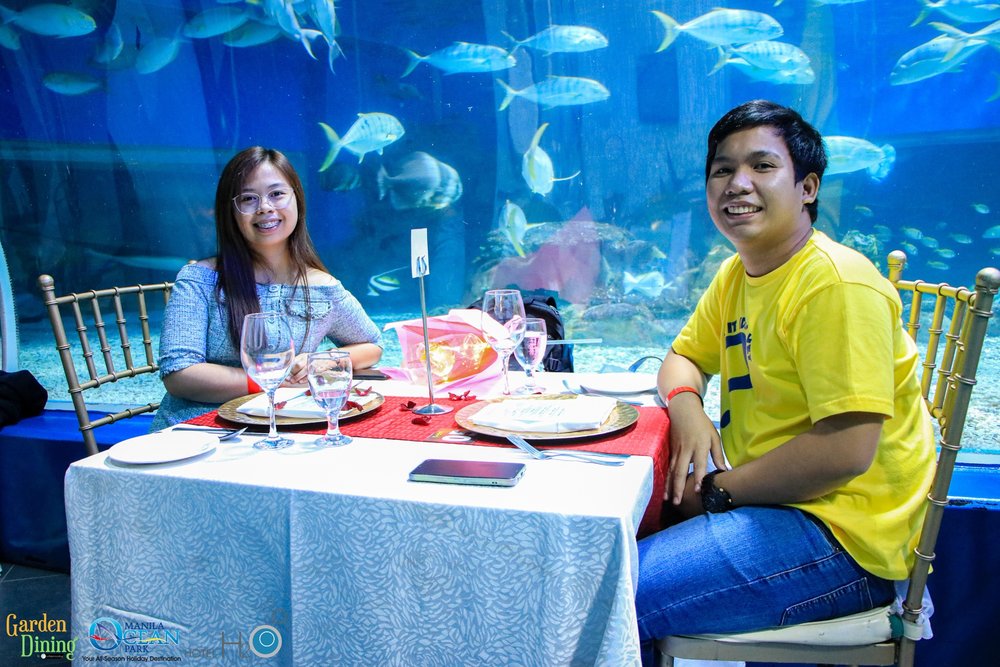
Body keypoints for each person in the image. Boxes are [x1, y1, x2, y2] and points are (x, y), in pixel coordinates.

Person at [635, 100, 935, 661]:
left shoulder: (835, 286)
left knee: (607, 591)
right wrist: (688, 408)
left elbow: (845, 452)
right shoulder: (738, 272)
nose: (737, 183)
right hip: (777, 505)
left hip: (840, 534)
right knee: (610, 545)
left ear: (808, 188)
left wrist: (719, 493)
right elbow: (681, 358)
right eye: (722, 169)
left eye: (762, 166)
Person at [152, 146, 382, 428]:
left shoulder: (322, 286)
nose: (265, 207)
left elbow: (372, 346)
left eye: (277, 194)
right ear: (230, 211)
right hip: (199, 430)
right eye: (248, 198)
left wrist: (322, 360)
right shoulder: (199, 280)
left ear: (297, 198)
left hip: (291, 426)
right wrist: (271, 379)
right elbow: (179, 374)